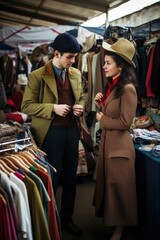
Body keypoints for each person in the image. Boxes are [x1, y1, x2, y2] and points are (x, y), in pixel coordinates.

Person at [21, 33, 85, 236]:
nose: (73, 61)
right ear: (56, 53)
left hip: (72, 132)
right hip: (51, 133)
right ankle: (50, 221)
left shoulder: (74, 73)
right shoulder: (37, 75)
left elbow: (82, 97)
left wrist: (79, 107)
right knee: (52, 179)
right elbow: (26, 105)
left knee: (71, 179)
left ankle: (67, 218)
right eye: (70, 57)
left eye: (74, 57)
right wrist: (52, 108)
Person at [93, 38, 138, 240]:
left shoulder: (128, 89)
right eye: (105, 62)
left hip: (119, 149)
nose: (104, 66)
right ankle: (116, 226)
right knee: (111, 188)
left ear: (120, 65)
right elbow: (112, 112)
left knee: (119, 190)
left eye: (108, 62)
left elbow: (125, 122)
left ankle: (120, 229)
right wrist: (101, 102)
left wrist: (102, 119)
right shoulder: (114, 86)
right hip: (110, 147)